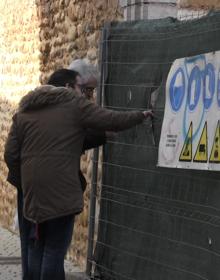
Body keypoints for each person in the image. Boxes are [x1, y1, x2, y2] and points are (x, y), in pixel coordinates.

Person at [4, 68, 152, 280]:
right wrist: (140, 116)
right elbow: (110, 119)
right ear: (69, 87)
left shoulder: (24, 113)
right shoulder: (73, 104)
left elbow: (10, 154)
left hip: (33, 194)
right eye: (83, 88)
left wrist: (27, 180)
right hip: (62, 192)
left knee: (36, 248)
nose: (85, 94)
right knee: (54, 250)